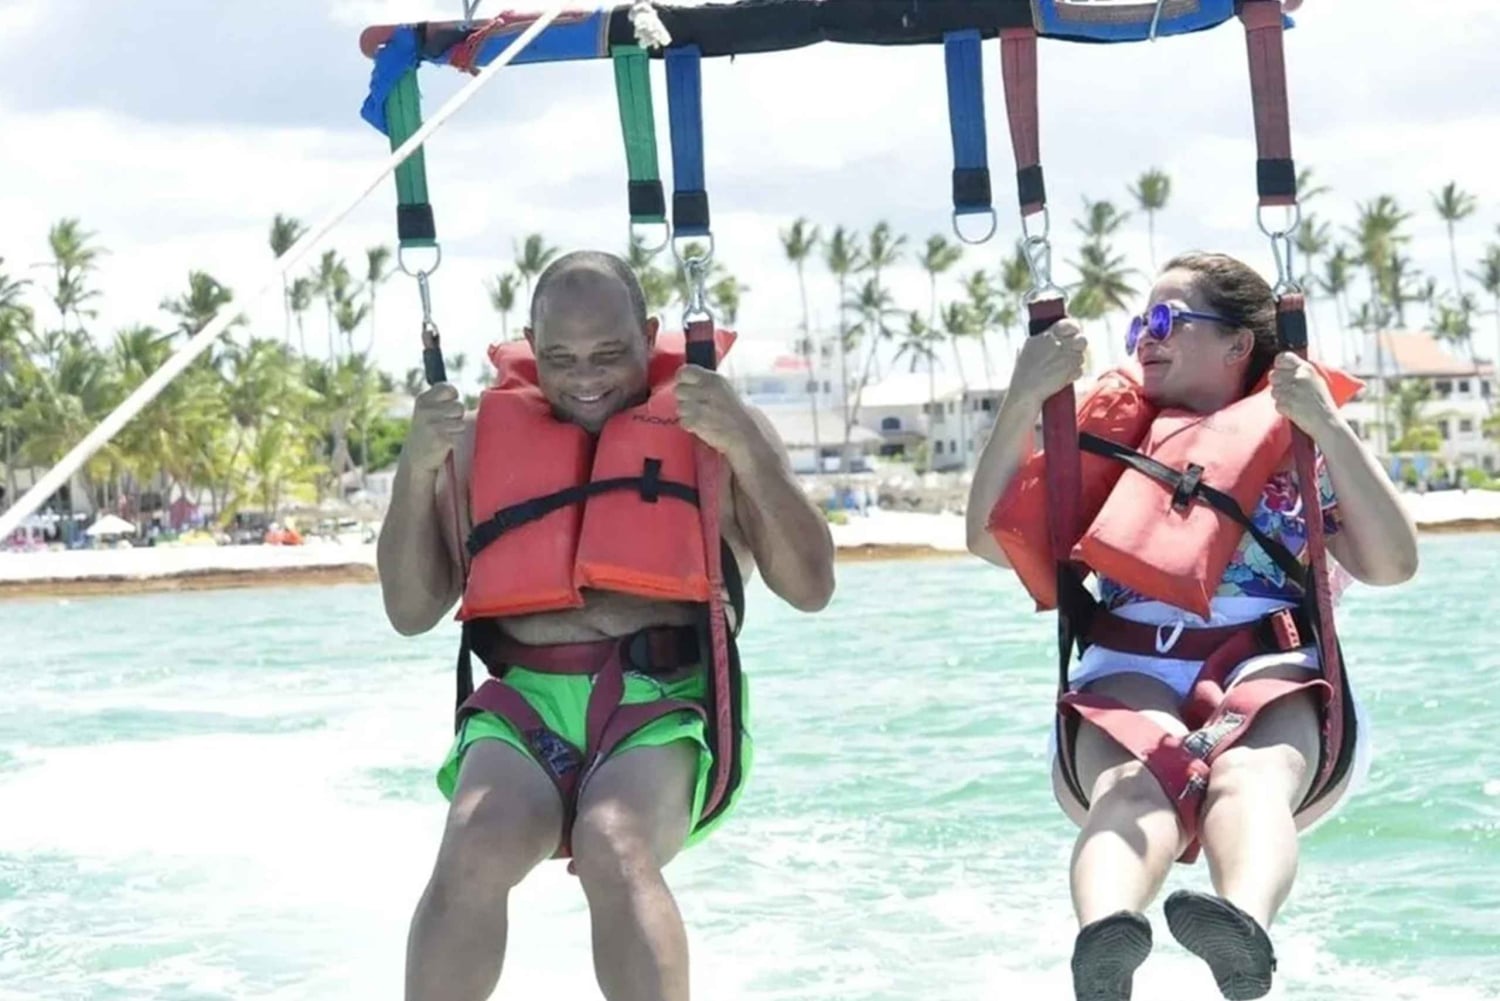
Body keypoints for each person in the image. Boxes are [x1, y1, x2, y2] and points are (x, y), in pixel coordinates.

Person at [377, 250, 836, 1001]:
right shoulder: (474, 443)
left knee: (611, 840)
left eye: (609, 354)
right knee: (472, 845)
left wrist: (748, 447)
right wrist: (414, 469)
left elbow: (811, 587)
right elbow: (409, 611)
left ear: (648, 335)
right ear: (531, 344)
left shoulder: (715, 429)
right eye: (560, 358)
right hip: (525, 704)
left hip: (662, 702)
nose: (585, 377)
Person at [966, 252, 1417, 1001]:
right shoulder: (1111, 444)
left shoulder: (1296, 442)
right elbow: (989, 538)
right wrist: (1023, 398)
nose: (1146, 337)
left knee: (1250, 777)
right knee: (1132, 785)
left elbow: (1392, 563)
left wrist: (1328, 425)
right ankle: (1105, 939)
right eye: (1140, 323)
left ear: (1238, 343)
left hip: (1265, 659)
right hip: (1129, 658)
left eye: (1167, 320)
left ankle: (1241, 929)